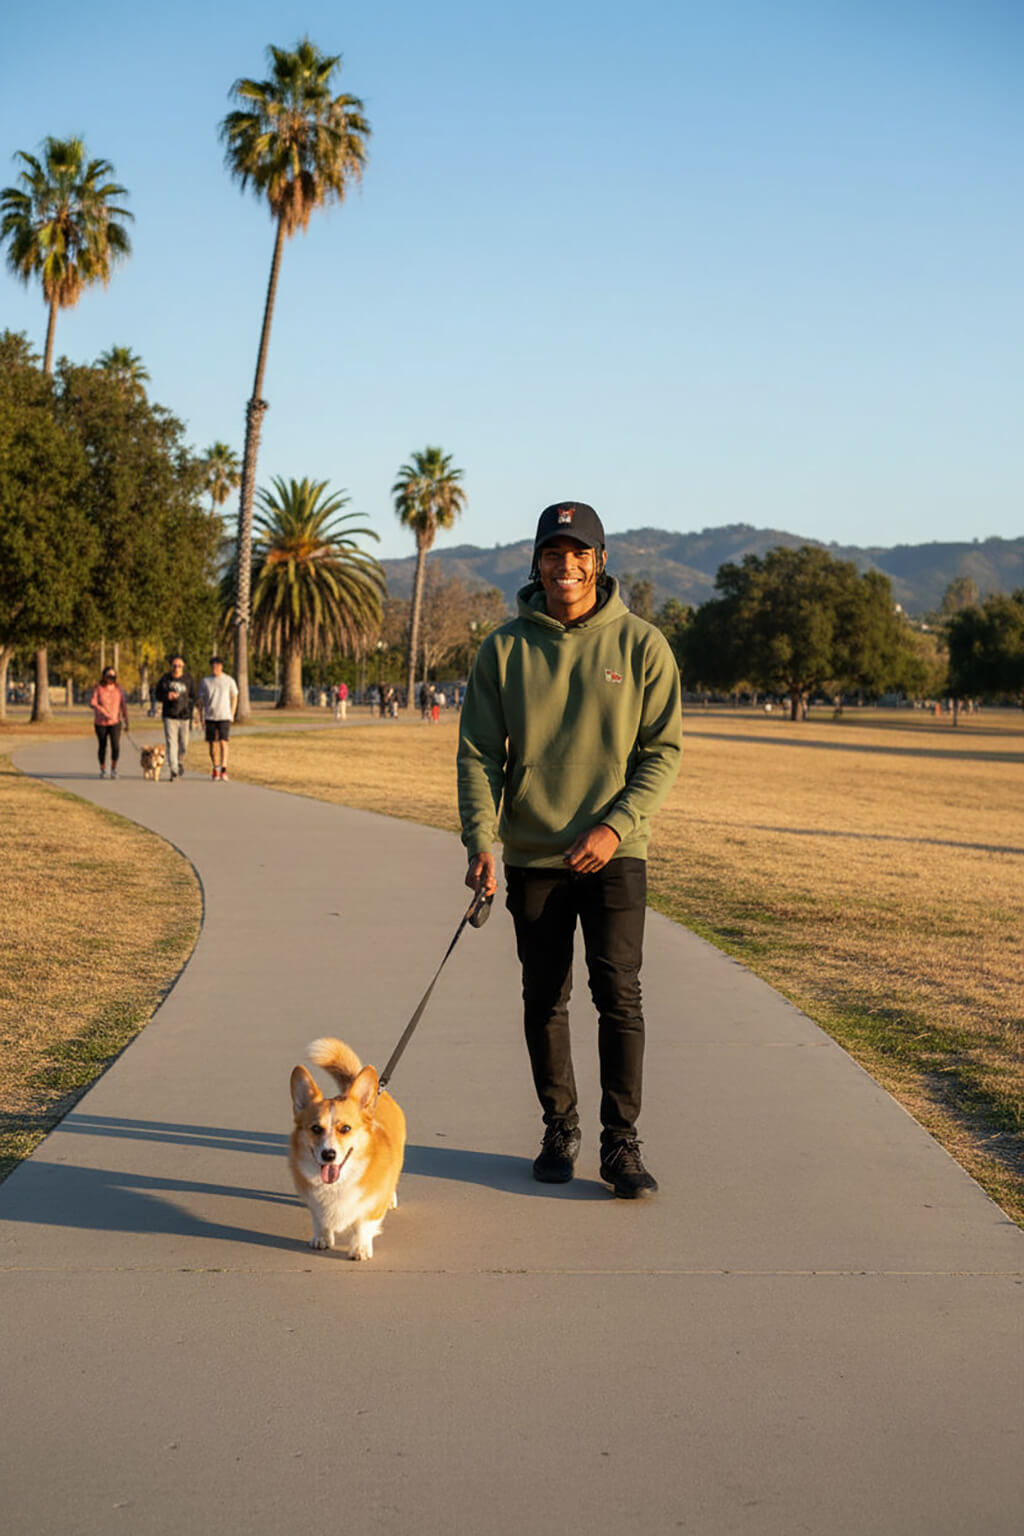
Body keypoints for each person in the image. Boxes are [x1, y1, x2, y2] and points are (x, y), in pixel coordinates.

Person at [457, 501, 682, 1198]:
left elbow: (663, 752)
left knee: (619, 994)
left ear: (600, 561)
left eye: (579, 553)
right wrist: (481, 840)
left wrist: (615, 825)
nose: (566, 566)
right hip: (531, 856)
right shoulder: (503, 649)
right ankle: (560, 1127)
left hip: (617, 852)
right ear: (539, 564)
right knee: (543, 998)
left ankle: (621, 1144)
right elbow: (477, 756)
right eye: (554, 554)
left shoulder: (642, 645)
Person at [153, 654, 197, 781]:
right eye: (174, 665)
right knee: (172, 743)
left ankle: (179, 761)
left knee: (184, 744)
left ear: (183, 666)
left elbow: (193, 696)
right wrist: (167, 696)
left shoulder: (188, 679)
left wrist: (192, 710)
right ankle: (174, 771)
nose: (176, 668)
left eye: (179, 665)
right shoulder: (165, 679)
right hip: (169, 716)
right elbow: (158, 694)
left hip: (184, 716)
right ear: (171, 666)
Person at [199, 656, 239, 781]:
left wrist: (232, 713)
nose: (215, 668)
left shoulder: (228, 680)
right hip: (210, 716)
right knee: (212, 744)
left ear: (222, 666)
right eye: (213, 665)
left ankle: (224, 769)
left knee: (223, 742)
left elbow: (235, 696)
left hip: (224, 716)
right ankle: (215, 767)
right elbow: (201, 700)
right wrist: (201, 716)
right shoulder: (206, 681)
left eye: (218, 665)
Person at [89, 666, 129, 779]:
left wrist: (126, 720)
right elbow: (93, 702)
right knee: (102, 746)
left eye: (113, 676)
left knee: (115, 745)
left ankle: (113, 768)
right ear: (104, 677)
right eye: (108, 676)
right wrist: (102, 711)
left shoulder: (118, 689)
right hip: (100, 722)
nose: (111, 678)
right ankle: (102, 769)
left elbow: (123, 705)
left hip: (115, 722)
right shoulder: (98, 688)